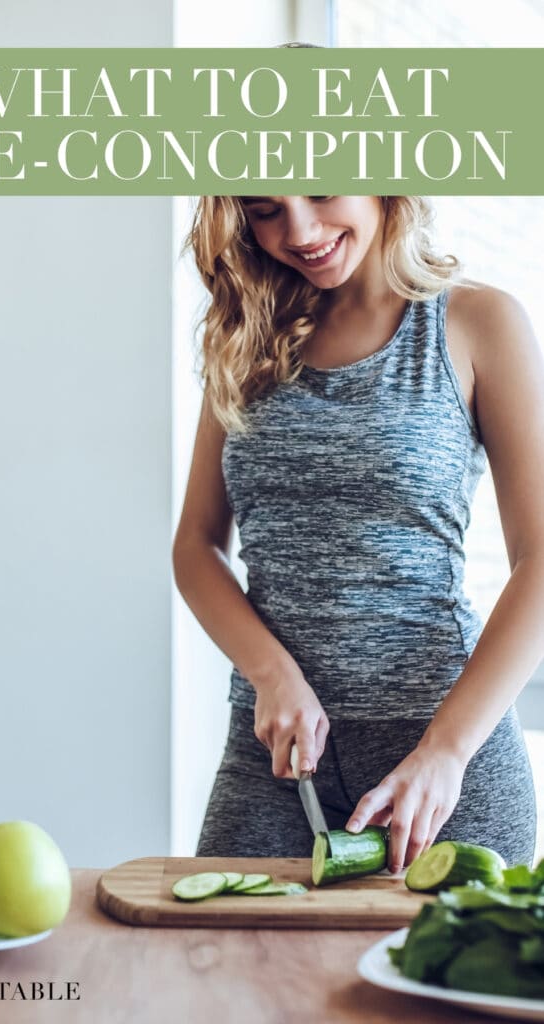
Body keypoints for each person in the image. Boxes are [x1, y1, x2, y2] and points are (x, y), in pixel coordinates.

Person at [172, 195, 544, 872]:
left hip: (439, 760)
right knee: (222, 968)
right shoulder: (243, 336)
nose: (299, 231)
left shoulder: (475, 321)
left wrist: (446, 752)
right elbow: (195, 546)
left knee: (435, 975)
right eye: (263, 210)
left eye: (319, 192)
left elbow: (540, 558)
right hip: (274, 764)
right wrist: (270, 673)